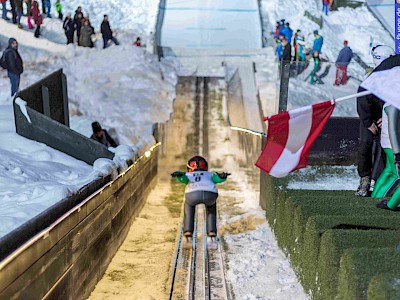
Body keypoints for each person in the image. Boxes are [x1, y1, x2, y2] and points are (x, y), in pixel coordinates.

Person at [355, 45, 395, 196]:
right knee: (365, 144)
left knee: (387, 148)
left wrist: (386, 118)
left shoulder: (394, 76)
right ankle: (364, 178)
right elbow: (362, 101)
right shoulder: (371, 76)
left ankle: (383, 180)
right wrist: (368, 122)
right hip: (370, 118)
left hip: (386, 116)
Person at [171, 156, 230, 238]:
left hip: (192, 194)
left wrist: (178, 175)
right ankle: (211, 232)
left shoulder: (188, 175)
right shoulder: (210, 174)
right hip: (210, 194)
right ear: (205, 167)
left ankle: (188, 231)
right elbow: (218, 179)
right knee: (211, 207)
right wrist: (223, 176)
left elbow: (182, 178)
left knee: (188, 205)